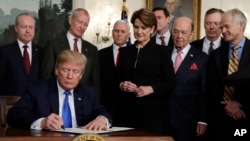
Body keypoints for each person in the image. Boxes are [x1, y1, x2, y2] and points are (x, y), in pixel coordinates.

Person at [6, 50, 112, 130]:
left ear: (81, 75)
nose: (70, 76)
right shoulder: (37, 89)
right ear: (56, 70)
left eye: (75, 71)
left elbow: (103, 112)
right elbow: (14, 115)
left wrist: (103, 119)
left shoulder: (87, 93)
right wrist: (42, 122)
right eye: (65, 70)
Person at [117, 8, 176, 134]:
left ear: (152, 29)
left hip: (152, 115)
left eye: (143, 28)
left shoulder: (162, 52)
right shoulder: (125, 52)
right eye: (136, 27)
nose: (139, 31)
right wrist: (122, 85)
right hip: (126, 115)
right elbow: (116, 79)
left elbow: (171, 83)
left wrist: (151, 88)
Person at [207, 8, 250, 140]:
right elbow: (211, 86)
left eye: (226, 26)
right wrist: (227, 105)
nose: (222, 31)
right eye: (222, 27)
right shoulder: (216, 55)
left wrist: (238, 104)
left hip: (245, 119)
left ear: (240, 25)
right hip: (219, 120)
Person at [40, 8, 100, 100]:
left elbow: (95, 83)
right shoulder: (53, 44)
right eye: (79, 22)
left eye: (85, 25)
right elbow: (47, 76)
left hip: (84, 102)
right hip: (58, 99)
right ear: (70, 20)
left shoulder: (92, 50)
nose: (82, 27)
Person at [167, 16, 208, 141]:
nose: (179, 36)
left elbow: (205, 91)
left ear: (191, 35)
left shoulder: (202, 58)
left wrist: (203, 119)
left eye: (184, 32)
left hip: (188, 121)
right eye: (176, 31)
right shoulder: (162, 54)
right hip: (162, 119)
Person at [0, 13, 41, 96]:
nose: (28, 31)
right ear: (16, 28)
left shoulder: (42, 52)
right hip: (11, 104)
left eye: (31, 27)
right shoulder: (4, 52)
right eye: (24, 27)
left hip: (36, 105)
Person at [98, 20, 130, 126]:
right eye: (116, 31)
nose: (119, 34)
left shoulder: (135, 54)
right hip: (105, 108)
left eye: (122, 31)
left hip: (128, 109)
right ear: (112, 33)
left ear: (128, 35)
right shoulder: (100, 55)